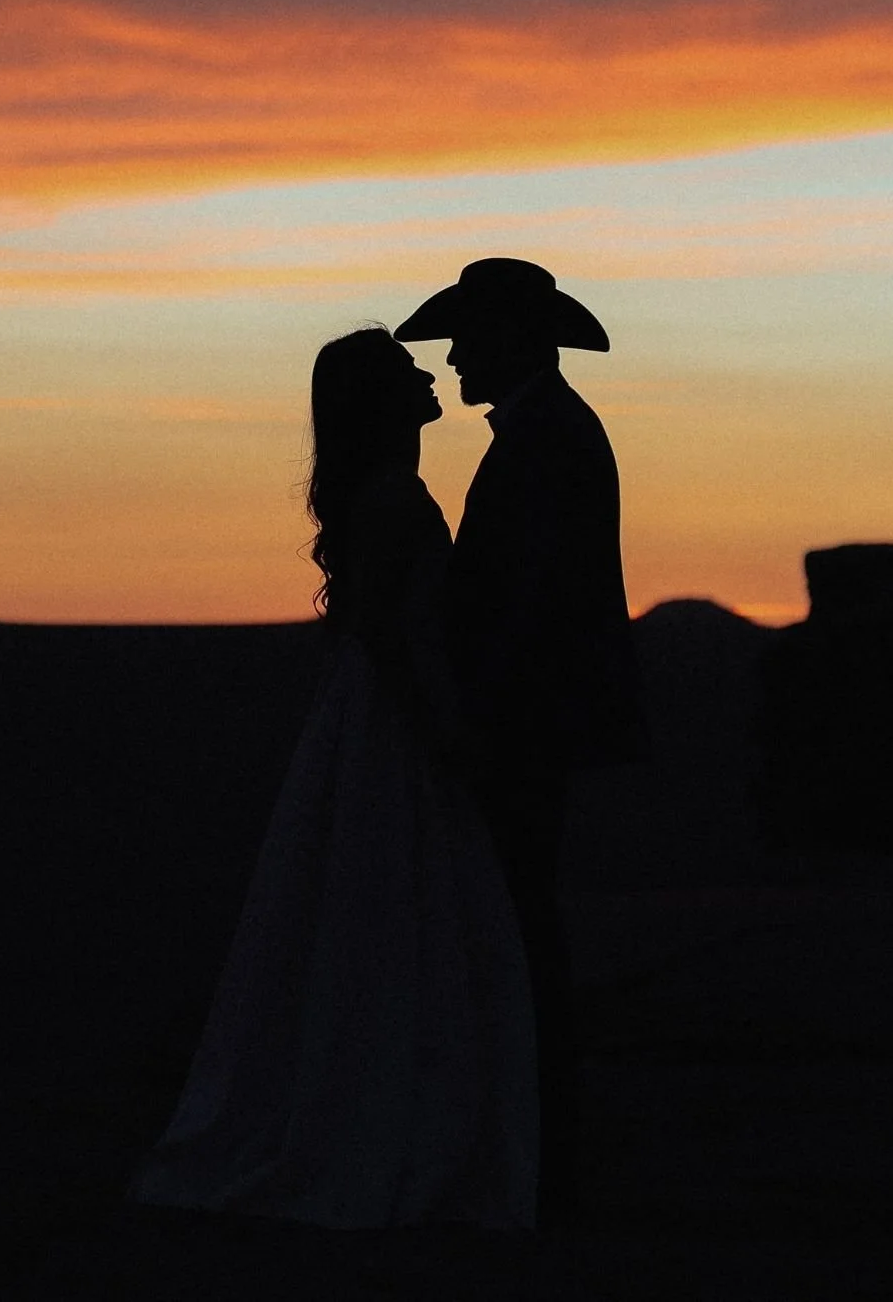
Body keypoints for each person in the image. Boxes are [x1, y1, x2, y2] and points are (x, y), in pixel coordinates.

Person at [126, 326, 538, 1231]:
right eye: (404, 370)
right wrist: (447, 732)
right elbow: (403, 639)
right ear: (378, 400)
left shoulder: (385, 492)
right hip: (396, 721)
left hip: (371, 718)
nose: (429, 373)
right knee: (396, 914)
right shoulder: (395, 498)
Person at [396, 258, 649, 1224]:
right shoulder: (548, 433)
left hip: (523, 726)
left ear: (510, 339)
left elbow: (530, 603)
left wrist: (475, 714)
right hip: (531, 721)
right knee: (516, 921)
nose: (455, 357)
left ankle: (540, 1149)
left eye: (467, 338)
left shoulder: (546, 440)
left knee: (518, 926)